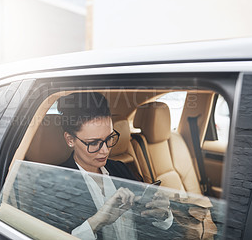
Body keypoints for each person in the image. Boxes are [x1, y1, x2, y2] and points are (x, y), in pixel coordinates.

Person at [56, 92, 173, 239]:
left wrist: (163, 215)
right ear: (70, 140)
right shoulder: (54, 183)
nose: (105, 150)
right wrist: (96, 222)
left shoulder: (121, 169)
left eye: (109, 138)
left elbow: (146, 222)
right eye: (93, 143)